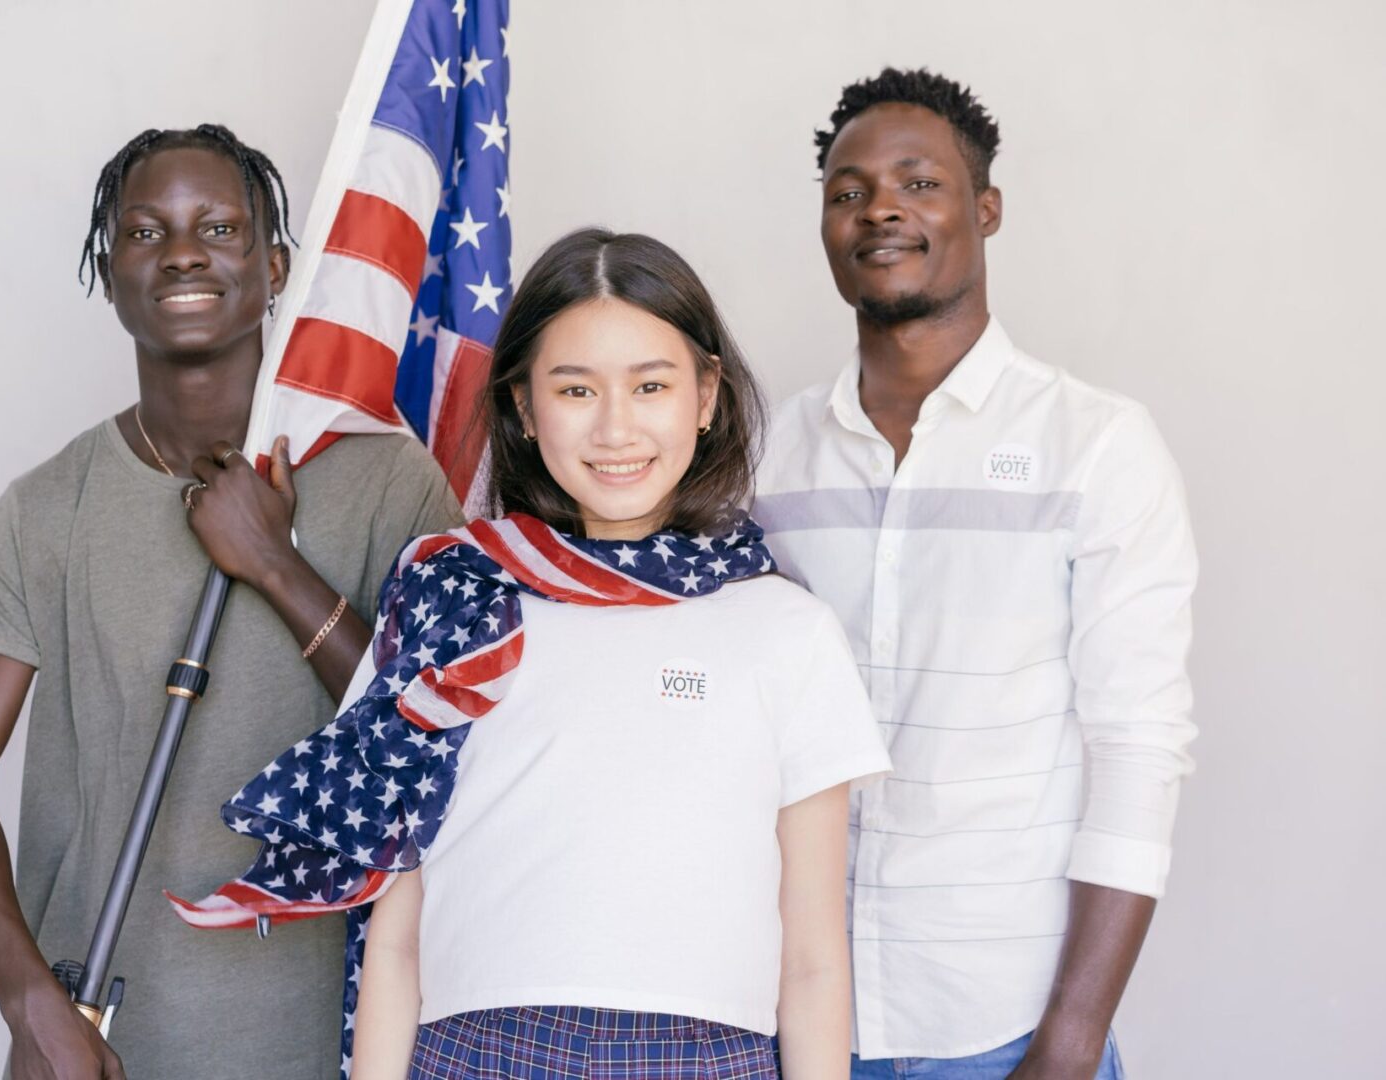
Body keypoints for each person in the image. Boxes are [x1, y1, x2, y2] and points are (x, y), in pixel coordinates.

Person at [188, 228, 891, 1079]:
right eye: (575, 389)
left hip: (710, 1057)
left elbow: (814, 960)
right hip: (477, 1051)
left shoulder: (785, 630)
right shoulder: (456, 605)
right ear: (524, 407)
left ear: (707, 396)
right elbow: (398, 940)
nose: (615, 426)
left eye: (652, 385)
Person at [0, 124, 462, 1080]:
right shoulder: (46, 510)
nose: (184, 254)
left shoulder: (388, 481)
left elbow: (435, 743)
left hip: (341, 1034)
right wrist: (30, 1002)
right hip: (102, 1035)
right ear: (107, 270)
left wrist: (276, 567)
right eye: (144, 233)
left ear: (277, 264)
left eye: (219, 227)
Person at [755, 68, 1199, 1079]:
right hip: (800, 1024)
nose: (881, 210)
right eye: (848, 190)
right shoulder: (767, 460)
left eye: (919, 181)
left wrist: (1072, 1042)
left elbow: (1139, 748)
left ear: (985, 209)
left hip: (1005, 1029)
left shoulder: (1097, 448)